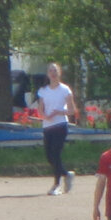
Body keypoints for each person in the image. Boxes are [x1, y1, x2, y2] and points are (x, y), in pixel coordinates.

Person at [37, 63, 77, 196]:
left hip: (60, 125)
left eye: (55, 70)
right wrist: (44, 115)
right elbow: (40, 108)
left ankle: (56, 184)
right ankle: (66, 174)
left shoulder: (65, 90)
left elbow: (71, 110)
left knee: (56, 153)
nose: (53, 73)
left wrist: (58, 112)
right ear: (47, 74)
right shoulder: (43, 90)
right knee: (49, 156)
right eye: (50, 71)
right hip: (47, 126)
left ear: (59, 73)